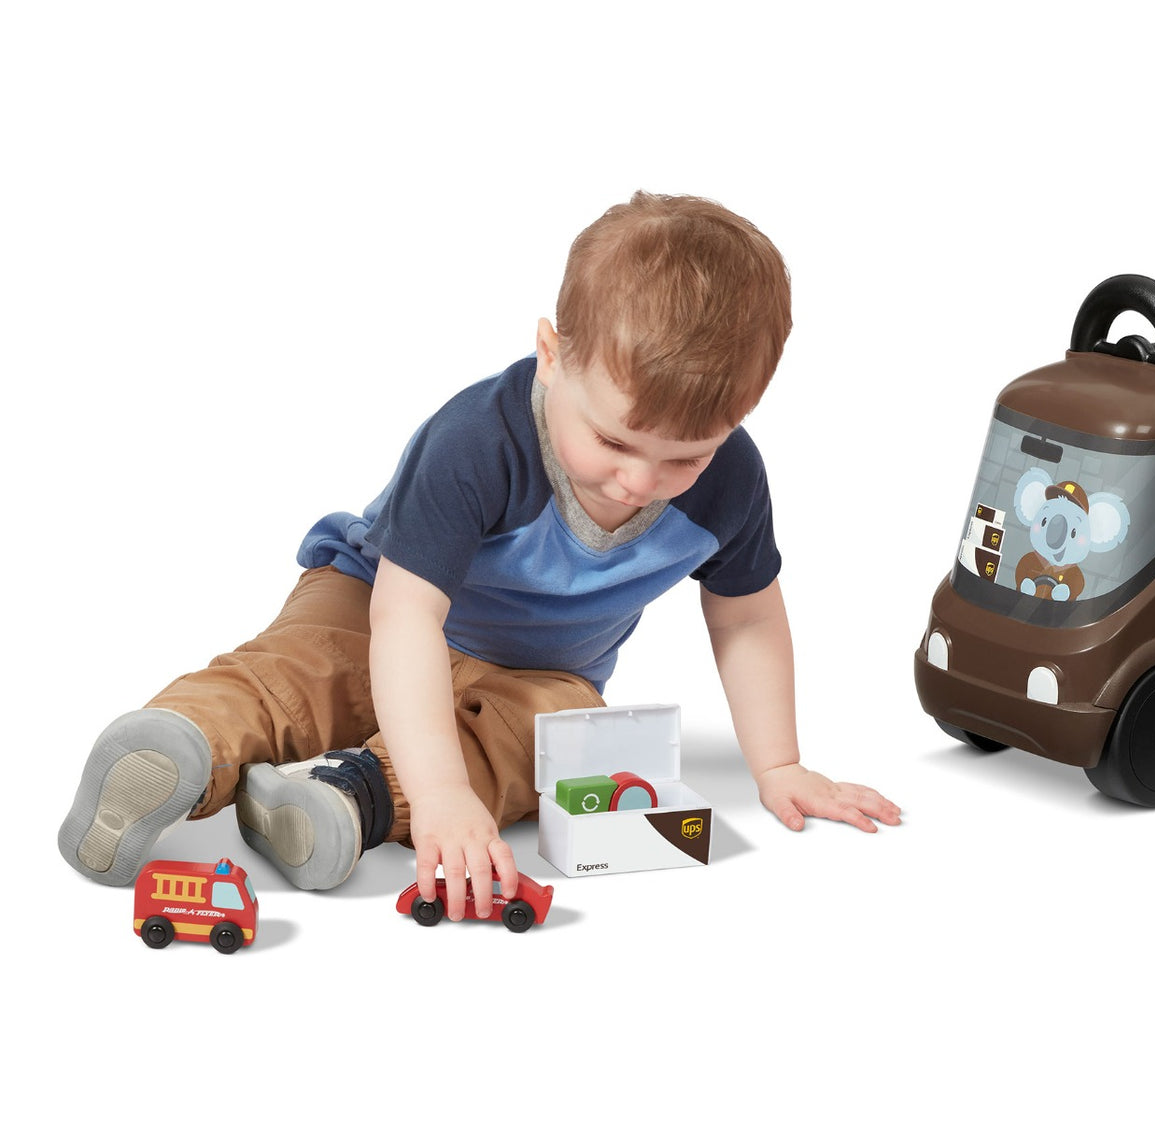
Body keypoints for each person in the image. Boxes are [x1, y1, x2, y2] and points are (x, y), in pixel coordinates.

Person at [59, 192, 901, 918]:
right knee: (309, 669)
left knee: (547, 745)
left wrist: (778, 761)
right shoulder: (478, 440)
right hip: (376, 600)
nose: (641, 481)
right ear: (552, 352)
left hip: (533, 670)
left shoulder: (733, 484)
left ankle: (343, 799)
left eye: (687, 456)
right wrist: (441, 795)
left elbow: (747, 614)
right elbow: (406, 616)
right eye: (612, 439)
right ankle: (185, 742)